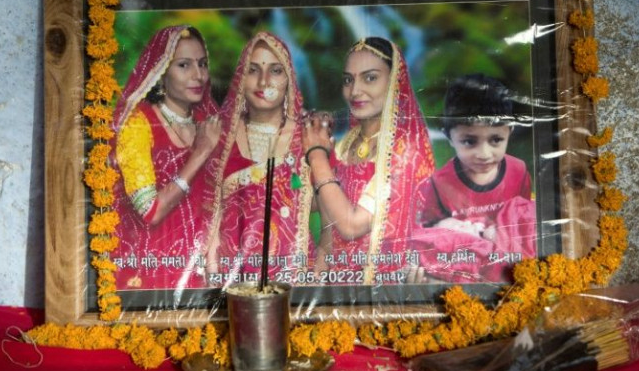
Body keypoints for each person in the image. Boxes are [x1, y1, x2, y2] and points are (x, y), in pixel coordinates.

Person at [303, 37, 436, 285]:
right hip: (337, 284)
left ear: (394, 82)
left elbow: (352, 226)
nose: (354, 91)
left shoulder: (404, 151)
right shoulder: (346, 144)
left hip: (383, 288)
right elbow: (325, 228)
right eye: (348, 80)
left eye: (370, 77)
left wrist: (317, 155)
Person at [109, 25, 221, 290]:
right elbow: (150, 212)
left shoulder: (209, 126)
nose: (198, 76)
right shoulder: (139, 125)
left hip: (205, 268)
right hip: (152, 270)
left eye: (202, 64)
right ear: (160, 74)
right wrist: (200, 153)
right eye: (184, 65)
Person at [204, 32, 313, 286]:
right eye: (253, 71)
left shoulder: (307, 135)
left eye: (275, 71)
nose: (264, 82)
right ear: (241, 79)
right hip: (231, 274)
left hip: (294, 272)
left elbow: (328, 210)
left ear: (288, 80)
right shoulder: (220, 134)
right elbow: (209, 211)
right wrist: (211, 268)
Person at [407, 73, 537, 284]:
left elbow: (523, 220)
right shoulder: (439, 184)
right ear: (449, 136)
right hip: (468, 270)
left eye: (496, 140)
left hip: (512, 268)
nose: (484, 154)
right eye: (469, 142)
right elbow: (431, 240)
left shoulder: (518, 170)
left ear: (510, 131)